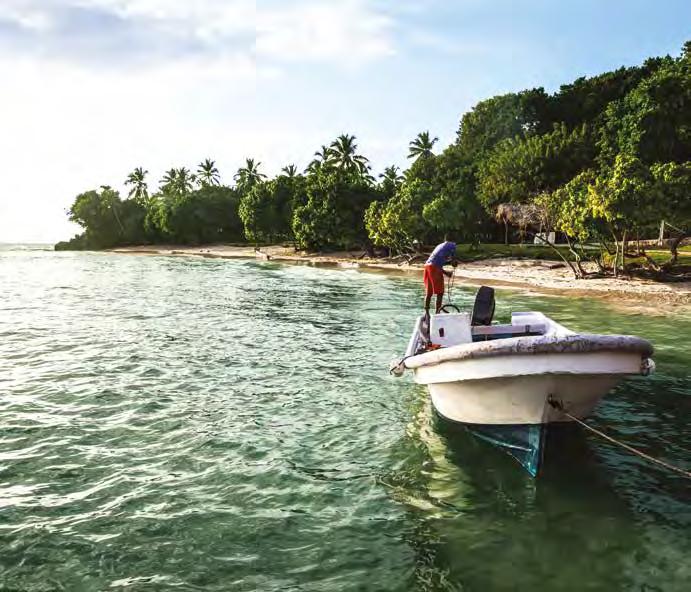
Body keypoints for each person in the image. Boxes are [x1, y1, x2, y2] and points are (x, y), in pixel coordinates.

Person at [423, 240, 457, 315]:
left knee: (429, 292)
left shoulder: (440, 245)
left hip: (427, 266)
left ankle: (426, 313)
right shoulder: (453, 246)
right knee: (440, 293)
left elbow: (437, 261)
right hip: (434, 267)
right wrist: (447, 272)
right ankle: (437, 313)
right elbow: (453, 261)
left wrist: (448, 265)